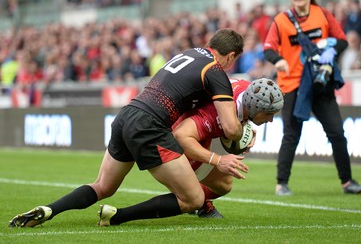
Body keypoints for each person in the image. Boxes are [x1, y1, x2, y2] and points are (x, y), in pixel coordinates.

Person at [9, 28, 247, 228]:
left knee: (103, 186)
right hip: (150, 124)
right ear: (231, 56)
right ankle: (116, 217)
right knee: (194, 198)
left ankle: (49, 209)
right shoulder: (216, 71)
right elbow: (230, 127)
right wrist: (243, 132)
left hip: (126, 114)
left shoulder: (188, 53)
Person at [263, 0, 361, 196]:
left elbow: (342, 40)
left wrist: (332, 51)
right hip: (293, 85)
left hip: (320, 83)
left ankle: (347, 182)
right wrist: (278, 60)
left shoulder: (323, 15)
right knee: (291, 134)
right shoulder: (281, 20)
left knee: (337, 132)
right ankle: (281, 184)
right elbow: (268, 48)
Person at [173, 78, 284, 218]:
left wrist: (246, 128)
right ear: (255, 108)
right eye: (269, 114)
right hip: (179, 133)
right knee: (223, 185)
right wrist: (218, 160)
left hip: (197, 126)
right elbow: (180, 136)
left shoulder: (248, 91)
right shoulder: (217, 114)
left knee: (229, 158)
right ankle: (195, 200)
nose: (271, 120)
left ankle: (189, 193)